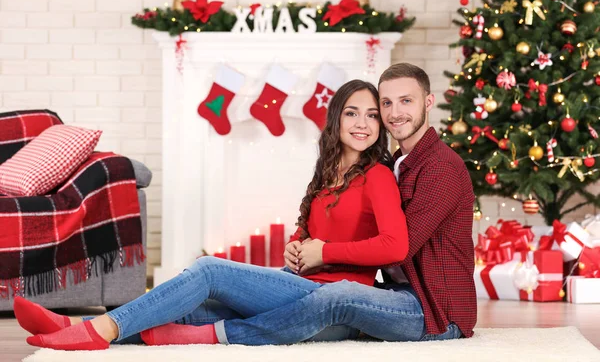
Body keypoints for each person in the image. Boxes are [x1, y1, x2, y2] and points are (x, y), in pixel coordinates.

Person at [15, 79, 410, 351]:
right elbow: (306, 231)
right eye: (353, 113)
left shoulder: (376, 175)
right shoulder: (327, 172)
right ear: (336, 118)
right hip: (296, 282)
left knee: (209, 271)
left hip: (329, 299)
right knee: (191, 307)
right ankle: (72, 327)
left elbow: (395, 245)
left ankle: (99, 330)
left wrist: (324, 252)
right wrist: (296, 246)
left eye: (373, 115)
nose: (363, 124)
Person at [204, 62, 477, 345]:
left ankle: (222, 335)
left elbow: (397, 250)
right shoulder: (398, 164)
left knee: (336, 295)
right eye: (386, 103)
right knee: (285, 288)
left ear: (428, 102)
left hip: (437, 311)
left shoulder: (440, 168)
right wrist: (302, 246)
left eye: (406, 101)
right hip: (397, 293)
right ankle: (180, 321)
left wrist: (324, 252)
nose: (395, 113)